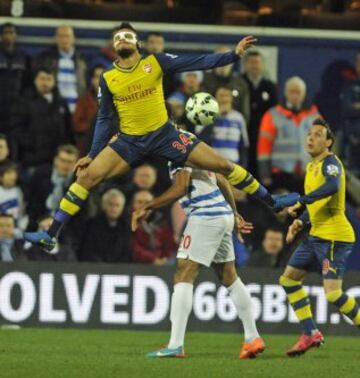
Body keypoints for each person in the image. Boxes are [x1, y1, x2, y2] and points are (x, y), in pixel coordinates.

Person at [24, 22, 298, 252]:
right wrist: (93, 154)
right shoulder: (108, 79)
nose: (122, 39)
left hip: (166, 135)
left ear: (137, 43)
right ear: (113, 47)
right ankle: (52, 235)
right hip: (129, 141)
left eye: (127, 35)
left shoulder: (154, 63)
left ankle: (272, 202)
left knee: (222, 166)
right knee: (86, 177)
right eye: (117, 37)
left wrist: (233, 55)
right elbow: (105, 118)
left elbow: (198, 62)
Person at [132, 155, 264, 359]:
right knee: (229, 276)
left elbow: (181, 188)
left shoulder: (176, 150)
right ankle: (252, 337)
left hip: (205, 215)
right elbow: (221, 179)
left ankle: (175, 345)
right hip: (222, 214)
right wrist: (234, 213)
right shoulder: (196, 148)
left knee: (184, 273)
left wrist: (147, 206)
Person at [279, 118, 359, 357]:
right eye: (309, 134)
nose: (311, 138)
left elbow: (333, 187)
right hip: (315, 236)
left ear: (329, 142)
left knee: (333, 293)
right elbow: (317, 203)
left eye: (317, 135)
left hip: (335, 237)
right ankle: (310, 333)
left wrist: (301, 201)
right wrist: (300, 220)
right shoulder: (311, 167)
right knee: (289, 280)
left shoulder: (331, 164)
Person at [257, 76, 320, 192]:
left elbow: (322, 146)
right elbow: (263, 148)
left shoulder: (315, 116)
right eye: (292, 92)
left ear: (304, 94)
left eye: (298, 92)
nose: (295, 95)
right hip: (280, 175)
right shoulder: (272, 115)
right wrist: (265, 175)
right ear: (285, 93)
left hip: (307, 173)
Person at [11, 67, 72, 173]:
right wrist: (32, 144)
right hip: (33, 159)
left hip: (56, 160)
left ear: (54, 81)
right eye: (42, 79)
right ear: (35, 80)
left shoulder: (61, 103)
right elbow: (16, 128)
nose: (45, 82)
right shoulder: (24, 101)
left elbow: (68, 129)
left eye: (48, 79)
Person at [33, 25, 87, 113]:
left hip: (76, 112)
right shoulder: (45, 59)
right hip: (54, 112)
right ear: (56, 38)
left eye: (67, 36)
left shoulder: (82, 61)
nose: (64, 39)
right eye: (61, 36)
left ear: (73, 39)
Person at [242, 50, 278, 176]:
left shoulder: (270, 87)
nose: (254, 65)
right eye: (251, 62)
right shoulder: (239, 83)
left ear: (262, 65)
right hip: (243, 134)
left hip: (263, 136)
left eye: (257, 62)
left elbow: (275, 112)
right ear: (245, 65)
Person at [26, 144, 79, 229]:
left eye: (70, 162)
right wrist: (41, 220)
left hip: (66, 227)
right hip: (39, 220)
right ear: (56, 160)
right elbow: (32, 203)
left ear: (76, 163)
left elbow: (79, 214)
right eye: (62, 160)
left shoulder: (79, 181)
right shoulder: (41, 174)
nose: (66, 165)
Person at [79, 189, 131, 263]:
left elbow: (127, 252)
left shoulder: (126, 227)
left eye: (117, 205)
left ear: (122, 208)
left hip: (120, 270)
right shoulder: (92, 225)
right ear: (104, 205)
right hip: (95, 268)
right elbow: (88, 250)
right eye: (111, 204)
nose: (114, 209)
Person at [202, 46, 250, 123]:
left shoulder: (240, 84)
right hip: (208, 127)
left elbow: (245, 113)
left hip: (233, 128)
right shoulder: (204, 81)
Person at [0, 22, 30, 136]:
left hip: (16, 108)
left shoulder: (23, 57)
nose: (9, 35)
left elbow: (28, 82)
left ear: (16, 35)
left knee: (13, 139)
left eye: (11, 32)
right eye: (5, 32)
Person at [131, 190, 175, 265]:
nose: (143, 206)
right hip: (134, 265)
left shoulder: (162, 221)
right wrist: (152, 260)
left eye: (147, 202)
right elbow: (132, 247)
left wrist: (165, 259)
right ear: (132, 204)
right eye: (139, 202)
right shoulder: (127, 221)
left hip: (162, 265)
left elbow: (169, 246)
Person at [211, 85, 249, 165]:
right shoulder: (208, 116)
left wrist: (243, 166)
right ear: (215, 98)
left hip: (233, 164)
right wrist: (216, 116)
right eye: (221, 96)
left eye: (227, 96)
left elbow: (243, 145)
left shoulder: (238, 117)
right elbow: (201, 138)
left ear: (231, 98)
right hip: (212, 164)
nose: (224, 99)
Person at [73, 64, 105, 156]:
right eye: (97, 77)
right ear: (91, 80)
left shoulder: (115, 101)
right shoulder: (83, 100)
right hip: (87, 146)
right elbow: (77, 124)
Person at [0, 161, 26, 232]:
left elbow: (21, 211)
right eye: (9, 173)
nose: (13, 176)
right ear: (1, 177)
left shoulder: (18, 191)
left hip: (17, 228)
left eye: (14, 173)